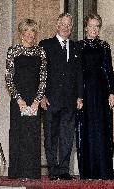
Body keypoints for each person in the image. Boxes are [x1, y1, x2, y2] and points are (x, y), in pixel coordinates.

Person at [39, 13, 83, 180]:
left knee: (67, 136)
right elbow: (40, 72)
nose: (66, 27)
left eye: (69, 25)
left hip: (70, 100)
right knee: (50, 136)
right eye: (63, 24)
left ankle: (64, 170)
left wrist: (79, 96)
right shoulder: (45, 45)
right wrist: (41, 95)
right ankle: (53, 170)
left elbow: (79, 73)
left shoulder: (76, 47)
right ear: (57, 26)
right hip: (50, 99)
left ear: (71, 28)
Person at [76, 13, 114, 180]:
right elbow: (76, 71)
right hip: (84, 91)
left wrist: (112, 92)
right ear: (86, 27)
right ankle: (87, 172)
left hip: (101, 91)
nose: (94, 29)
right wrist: (78, 95)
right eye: (91, 26)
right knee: (86, 129)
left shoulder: (104, 46)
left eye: (97, 26)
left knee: (102, 129)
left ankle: (104, 170)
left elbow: (109, 70)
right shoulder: (78, 45)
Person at [5, 18, 47, 180]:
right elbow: (9, 78)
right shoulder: (13, 51)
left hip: (34, 99)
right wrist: (18, 99)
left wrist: (37, 100)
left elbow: (43, 78)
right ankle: (17, 172)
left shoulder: (40, 52)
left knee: (33, 134)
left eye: (33, 31)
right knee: (19, 133)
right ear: (21, 33)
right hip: (18, 100)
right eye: (27, 31)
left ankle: (31, 173)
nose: (30, 34)